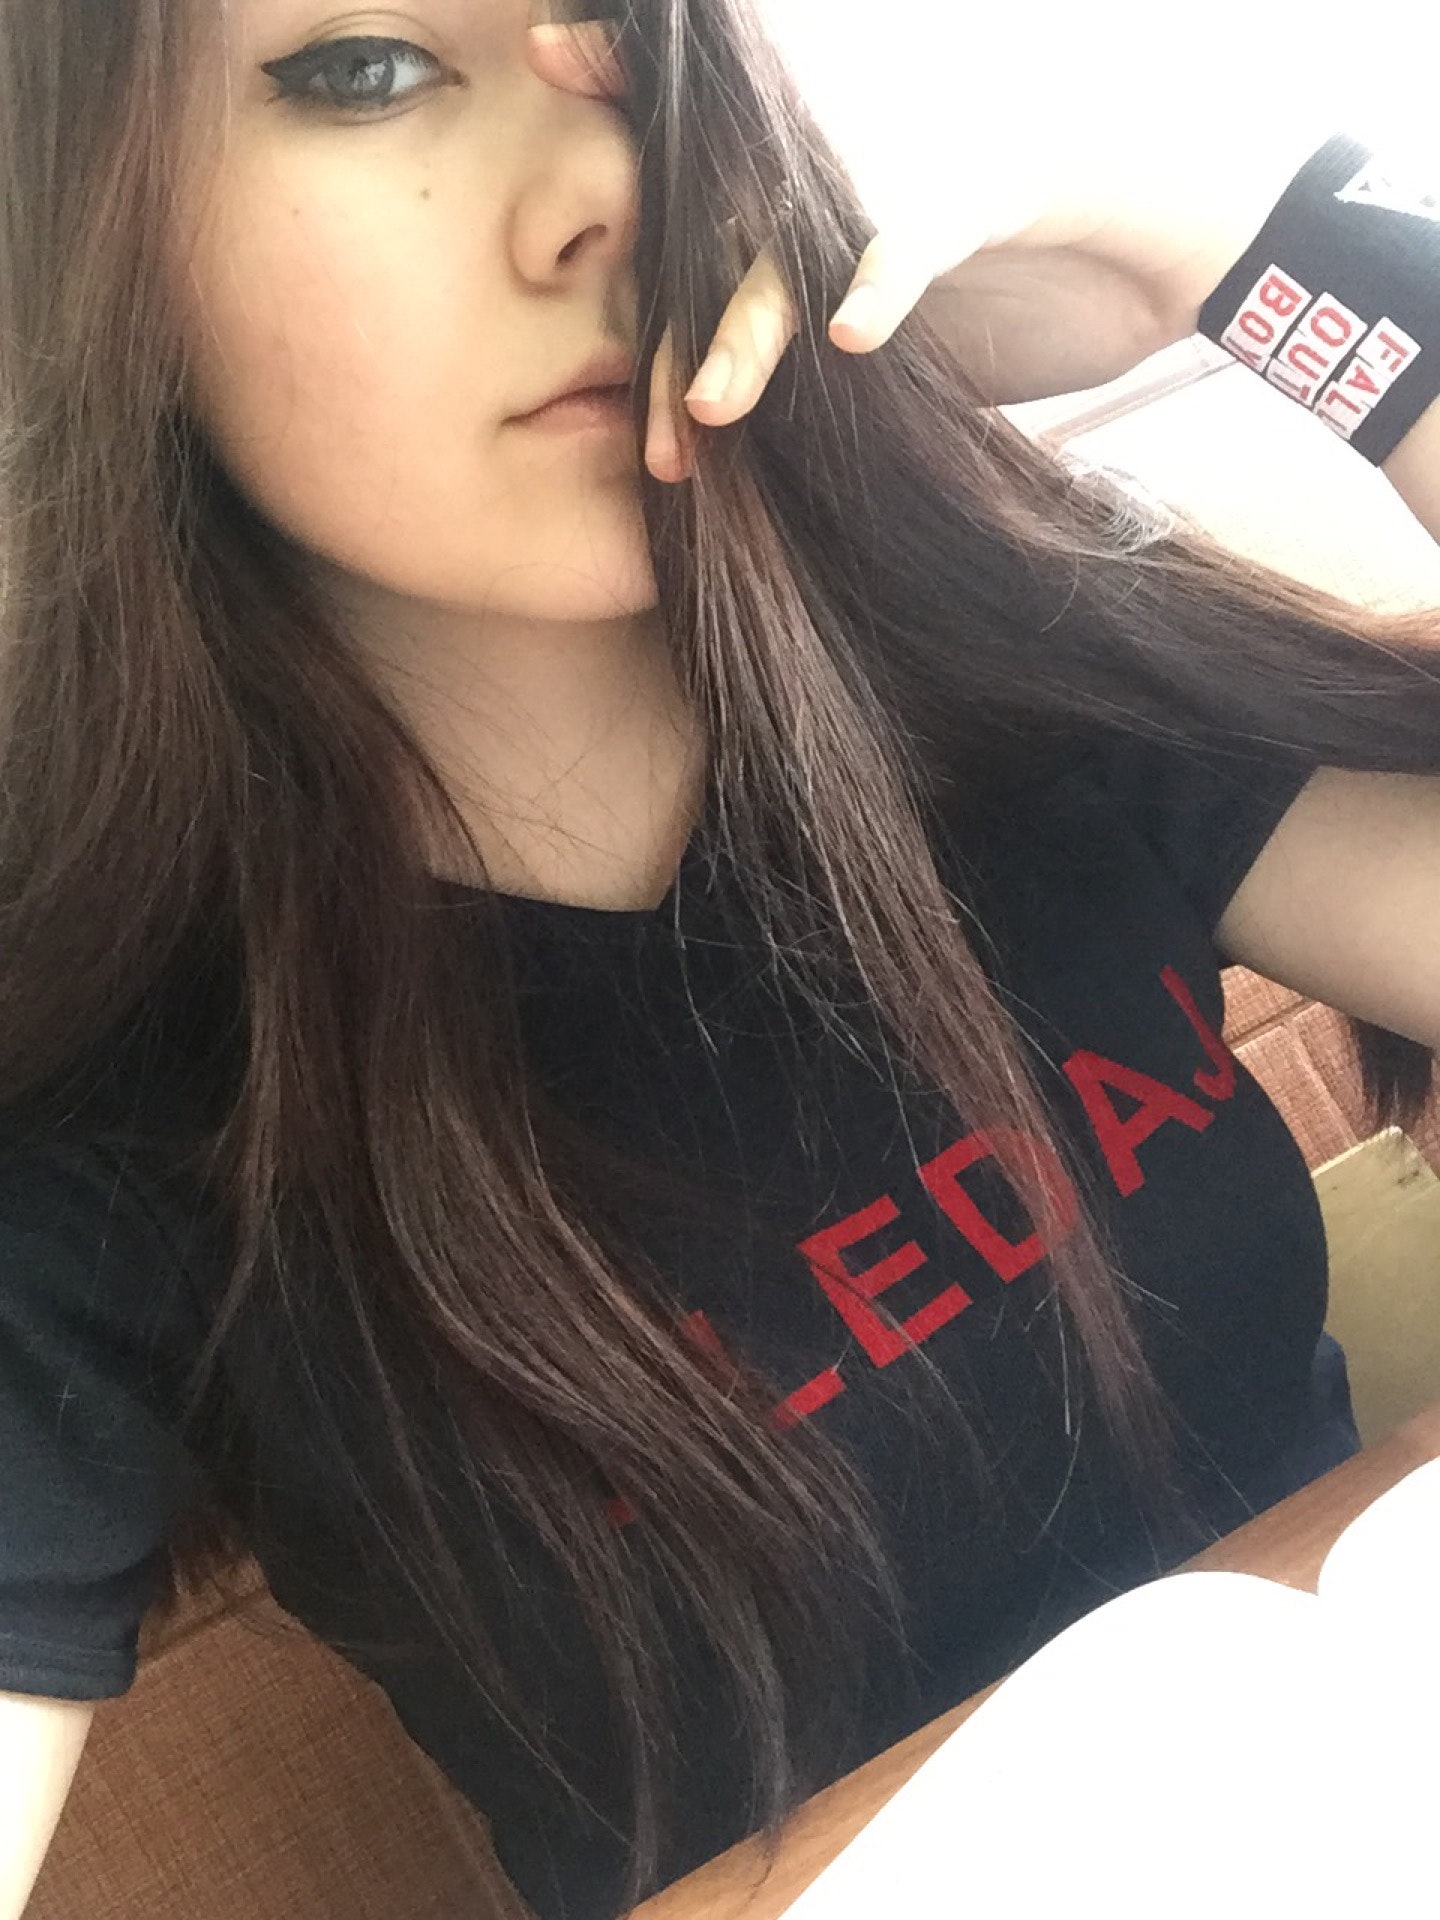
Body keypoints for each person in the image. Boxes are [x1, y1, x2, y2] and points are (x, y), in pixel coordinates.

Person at [2, 4, 1439, 1918]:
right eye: (365, 69)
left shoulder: (1008, 666)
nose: (604, 196)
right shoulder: (100, 1095)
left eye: (638, 57)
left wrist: (1252, 239)